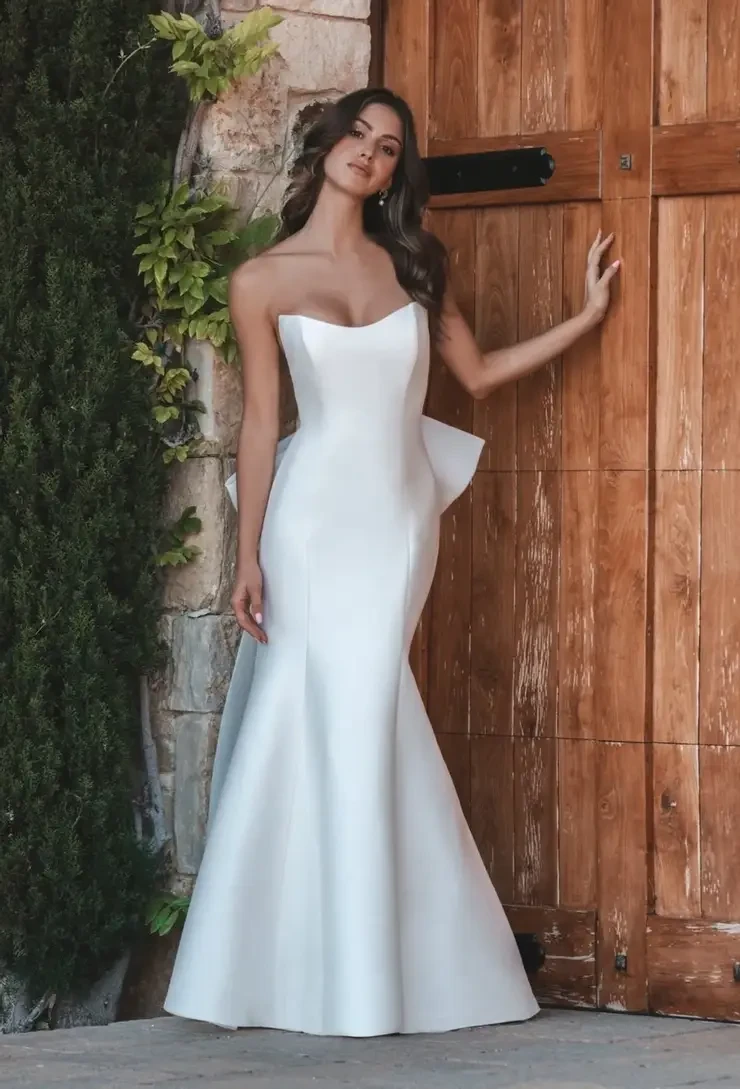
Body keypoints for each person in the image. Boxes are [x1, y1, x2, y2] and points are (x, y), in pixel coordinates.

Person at [163, 87, 619, 1037]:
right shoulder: (261, 280)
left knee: (369, 700)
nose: (369, 154)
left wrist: (584, 317)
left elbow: (477, 375)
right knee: (304, 705)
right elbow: (260, 424)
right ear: (328, 144)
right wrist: (248, 555)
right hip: (308, 523)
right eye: (359, 136)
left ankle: (371, 969)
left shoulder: (413, 263)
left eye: (388, 148)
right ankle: (290, 969)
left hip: (399, 520)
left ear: (392, 173)